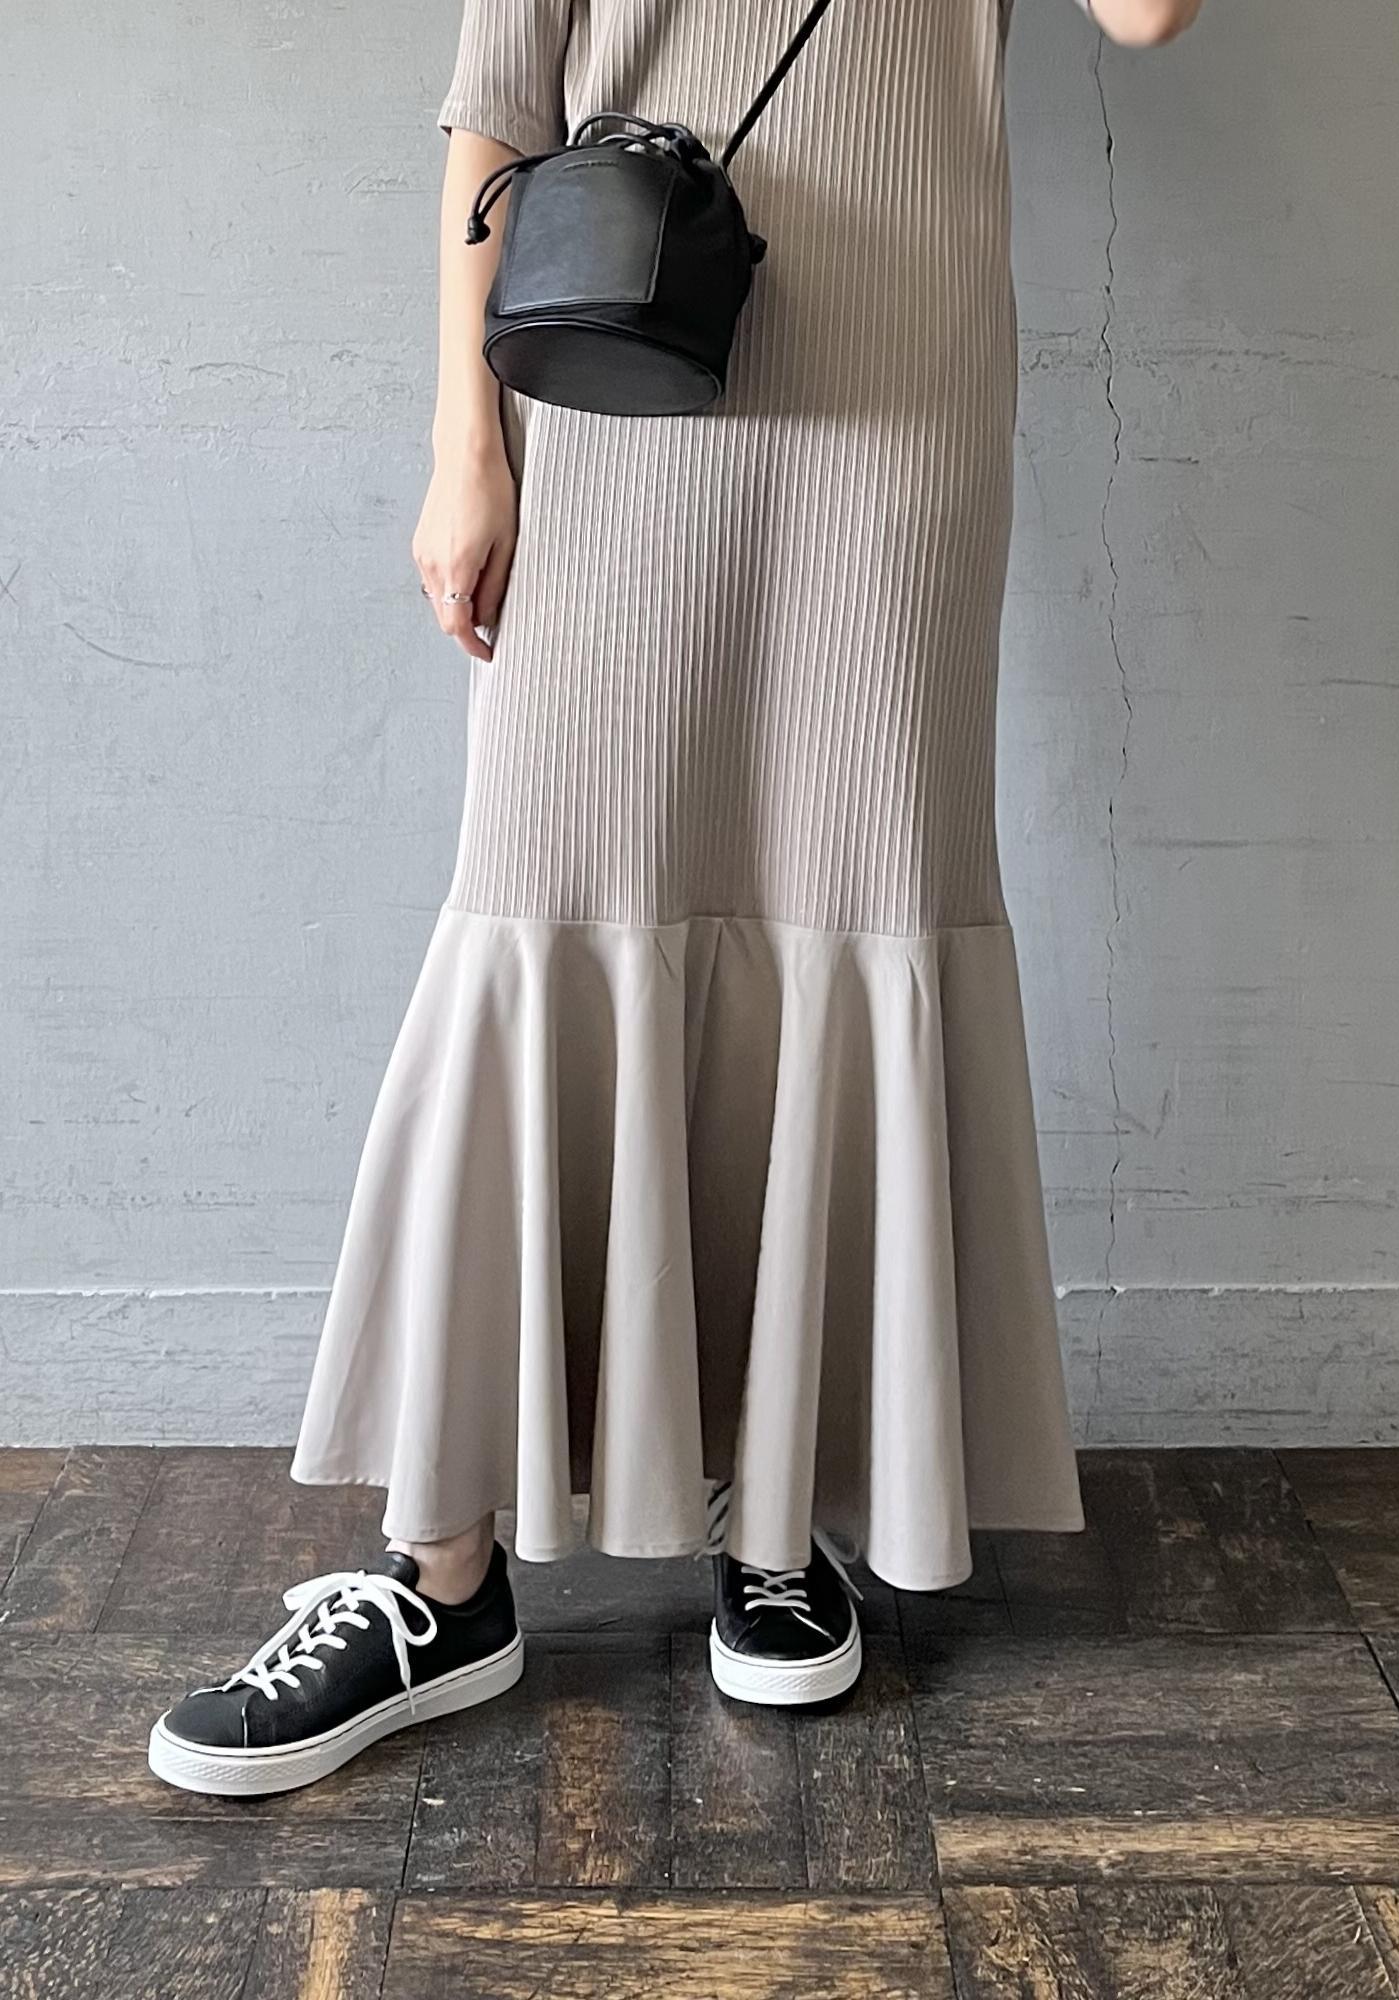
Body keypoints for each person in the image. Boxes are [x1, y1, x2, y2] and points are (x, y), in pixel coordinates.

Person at [147, 0, 1200, 1798]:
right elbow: (494, 117)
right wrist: (468, 447)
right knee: (544, 903)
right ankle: (442, 1578)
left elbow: (1146, 13)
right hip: (606, 383)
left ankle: (773, 1515)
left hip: (897, 408)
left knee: (852, 893)